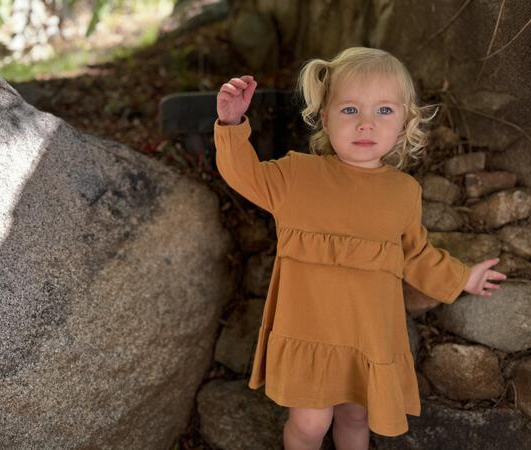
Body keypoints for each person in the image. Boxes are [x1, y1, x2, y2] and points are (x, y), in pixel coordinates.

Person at [213, 47, 508, 450]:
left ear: (405, 122)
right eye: (350, 110)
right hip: (310, 331)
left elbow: (415, 254)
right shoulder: (299, 175)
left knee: (356, 416)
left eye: (384, 111)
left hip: (367, 335)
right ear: (325, 116)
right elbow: (243, 175)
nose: (366, 124)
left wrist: (463, 276)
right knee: (311, 424)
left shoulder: (404, 191)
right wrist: (231, 123)